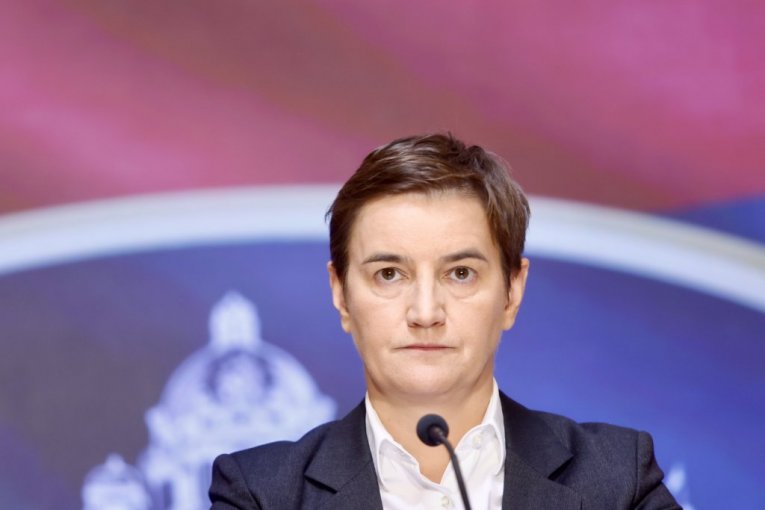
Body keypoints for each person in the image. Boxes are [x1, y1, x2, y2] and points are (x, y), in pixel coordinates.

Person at [209, 133, 680, 509]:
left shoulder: (617, 479)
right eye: (389, 274)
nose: (426, 313)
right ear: (341, 295)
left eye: (460, 274)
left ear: (512, 291)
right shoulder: (262, 494)